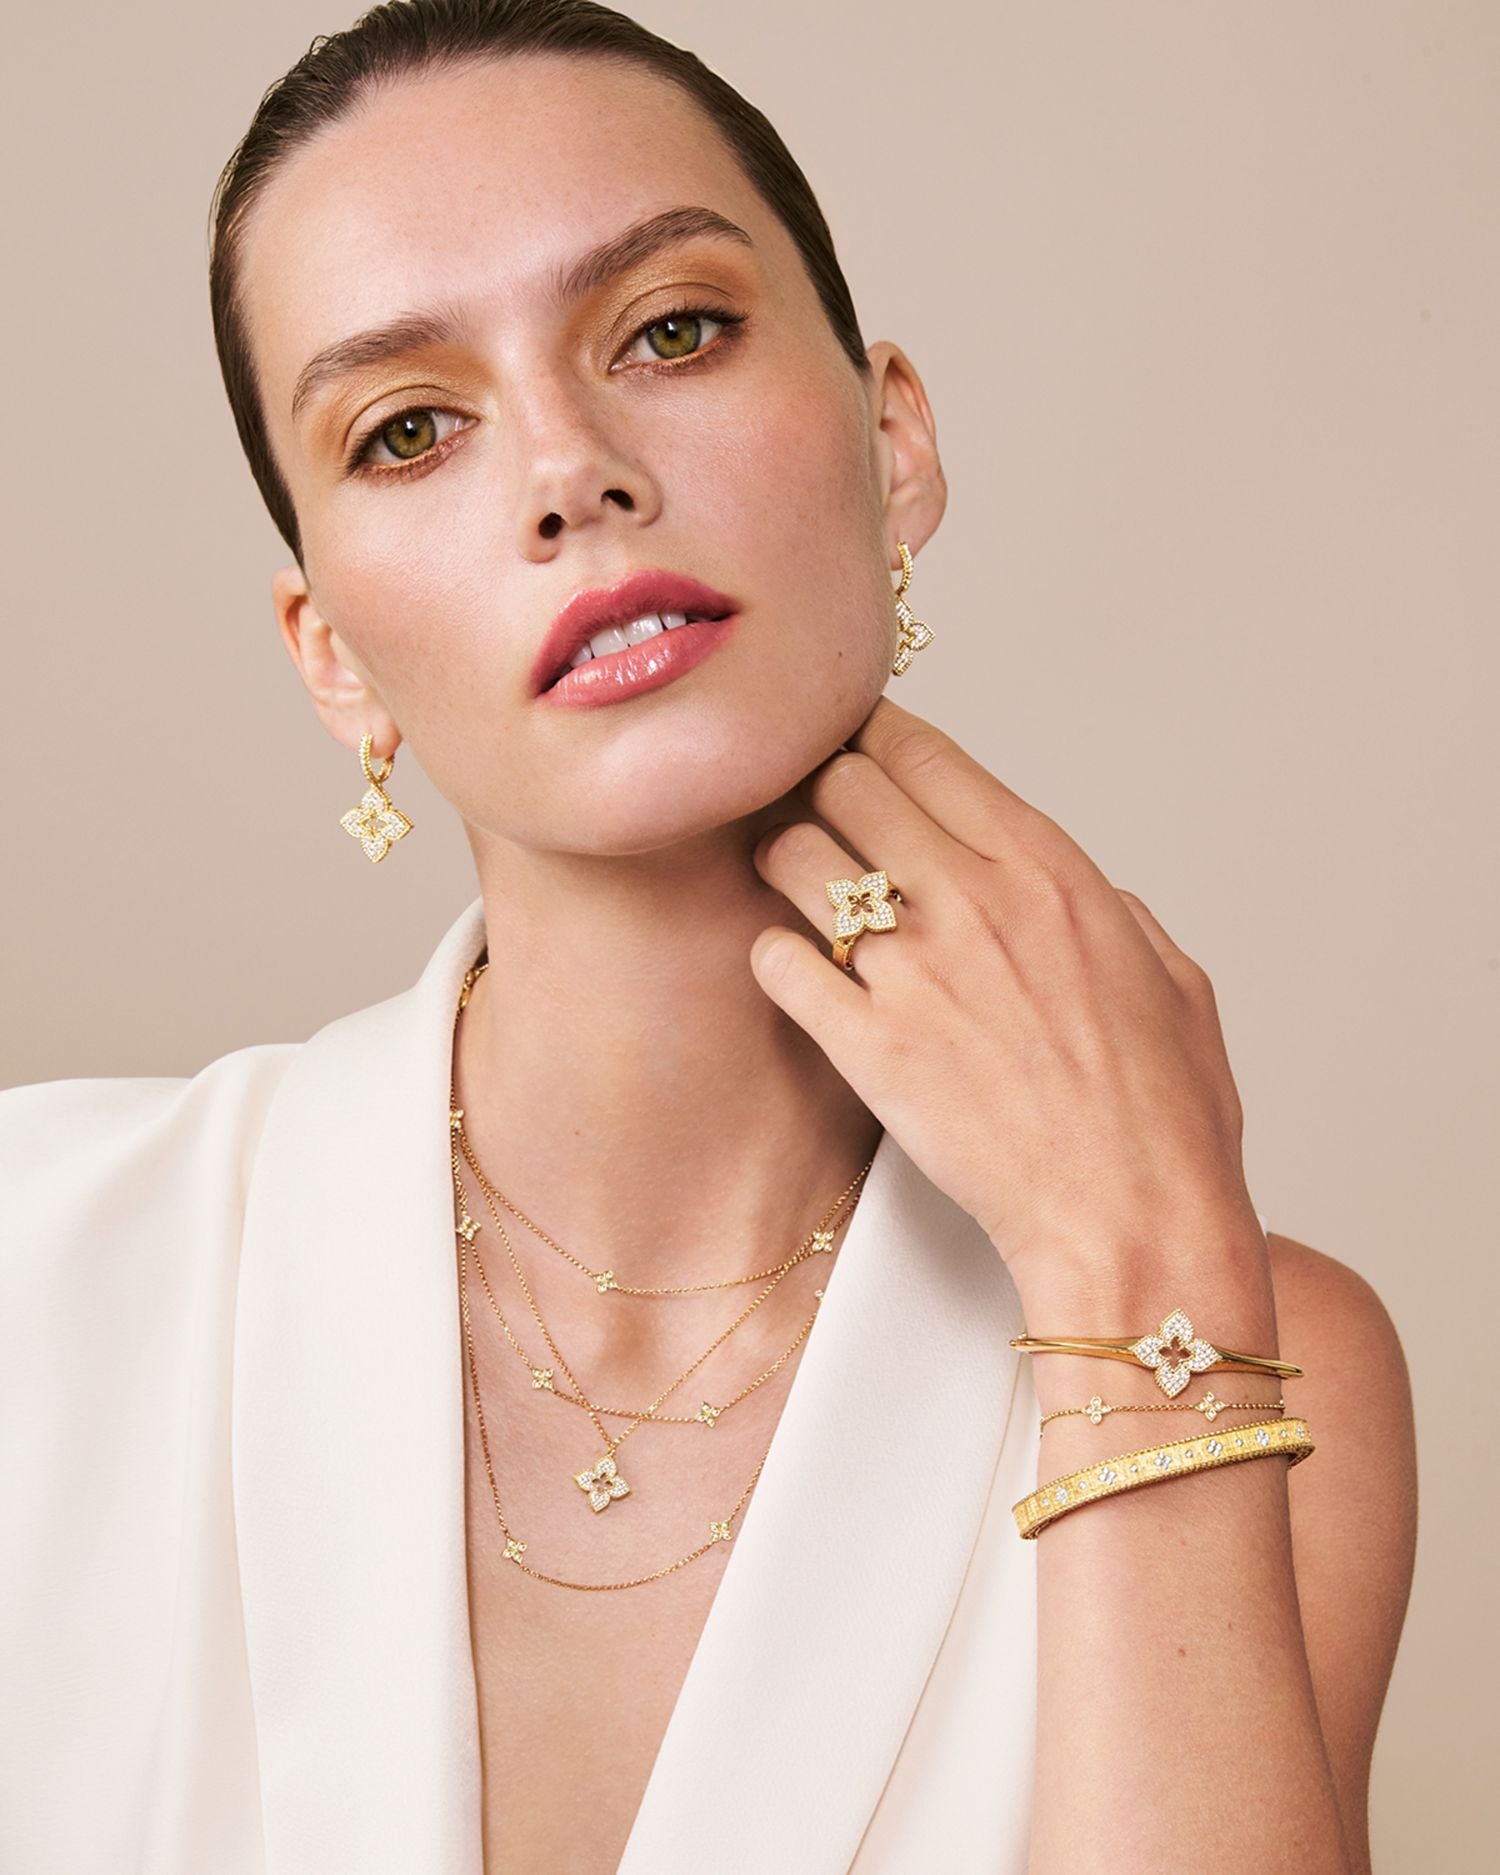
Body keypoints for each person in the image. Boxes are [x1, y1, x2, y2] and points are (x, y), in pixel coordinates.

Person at [0, 2, 1418, 1871]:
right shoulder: (41, 1271)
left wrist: (1134, 1244)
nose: (570, 469)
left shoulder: (1261, 1348)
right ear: (332, 655)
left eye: (670, 330)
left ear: (893, 442)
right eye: (409, 429)